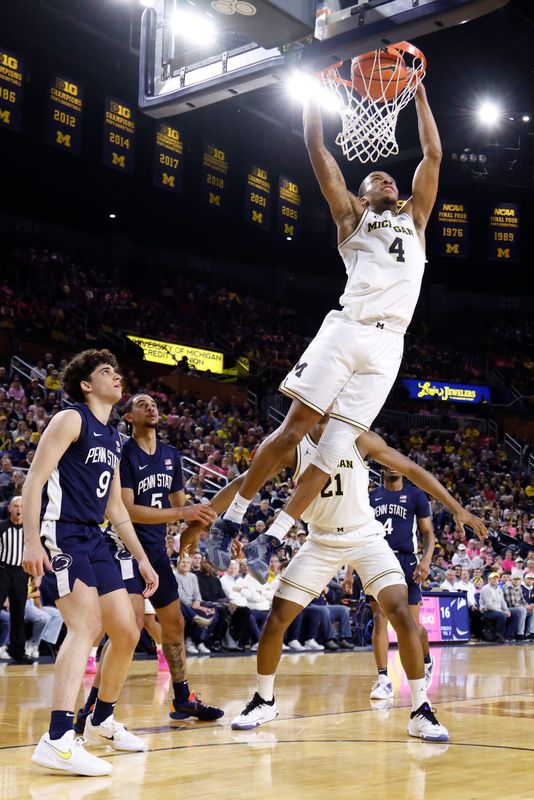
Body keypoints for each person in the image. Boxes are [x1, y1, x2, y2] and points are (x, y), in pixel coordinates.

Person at [208, 81, 443, 582]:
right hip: (348, 329)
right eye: (375, 178)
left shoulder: (416, 220)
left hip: (390, 344)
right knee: (295, 429)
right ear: (359, 195)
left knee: (336, 450)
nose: (386, 181)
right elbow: (317, 148)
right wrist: (313, 92)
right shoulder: (351, 218)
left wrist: (419, 94)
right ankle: (230, 521)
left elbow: (433, 154)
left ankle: (273, 536)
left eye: (389, 179)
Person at [187, 419, 485, 741]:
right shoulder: (293, 446)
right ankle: (264, 699)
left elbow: (412, 470)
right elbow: (245, 482)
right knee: (277, 619)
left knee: (400, 612)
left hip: (366, 538)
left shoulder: (359, 439)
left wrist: (457, 508)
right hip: (320, 542)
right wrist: (201, 519)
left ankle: (420, 710)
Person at [22, 349, 159, 776]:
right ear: (86, 384)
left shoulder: (115, 438)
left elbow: (116, 507)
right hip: (61, 530)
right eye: (106, 372)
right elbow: (33, 481)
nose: (117, 377)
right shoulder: (71, 419)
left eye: (117, 372)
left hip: (96, 537)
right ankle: (58, 738)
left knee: (126, 631)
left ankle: (100, 722)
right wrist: (31, 541)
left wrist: (142, 559)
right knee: (84, 626)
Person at [74, 393, 222, 734]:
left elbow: (182, 505)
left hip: (156, 551)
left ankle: (183, 697)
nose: (151, 407)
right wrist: (182, 513)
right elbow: (126, 510)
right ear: (129, 417)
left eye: (154, 404)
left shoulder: (171, 456)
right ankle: (93, 706)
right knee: (131, 625)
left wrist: (201, 523)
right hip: (125, 547)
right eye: (142, 404)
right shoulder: (123, 454)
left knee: (174, 624)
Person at [357, 465, 435, 701]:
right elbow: (359, 533)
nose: (392, 466)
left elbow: (428, 533)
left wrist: (426, 560)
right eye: (387, 463)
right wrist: (351, 571)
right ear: (381, 469)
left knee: (412, 625)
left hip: (407, 561)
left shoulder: (416, 495)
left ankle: (426, 660)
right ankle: (383, 679)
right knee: (380, 619)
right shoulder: (370, 497)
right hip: (377, 558)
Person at [0, 496, 35, 664]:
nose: (19, 509)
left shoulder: (31, 529)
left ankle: (18, 651)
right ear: (9, 508)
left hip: (21, 573)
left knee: (18, 614)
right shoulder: (1, 527)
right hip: (3, 571)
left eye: (21, 506)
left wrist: (37, 575)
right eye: (15, 506)